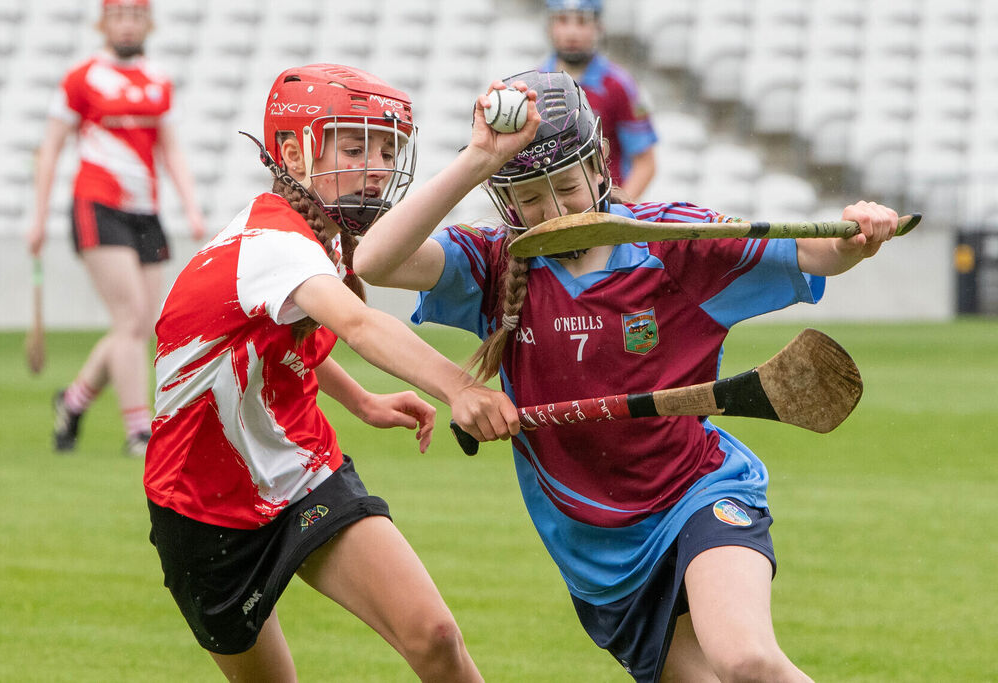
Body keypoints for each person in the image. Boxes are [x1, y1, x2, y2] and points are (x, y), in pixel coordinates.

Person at [353, 70, 900, 682]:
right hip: (595, 551)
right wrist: (480, 158)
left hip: (698, 490)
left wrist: (858, 240)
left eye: (566, 187)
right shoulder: (492, 264)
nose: (554, 211)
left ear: (598, 166)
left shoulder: (671, 242)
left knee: (747, 661)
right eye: (530, 197)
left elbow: (815, 253)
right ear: (504, 200)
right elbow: (374, 261)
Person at [144, 63, 520, 682]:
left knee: (435, 637)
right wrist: (458, 386)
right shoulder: (272, 244)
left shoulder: (322, 238)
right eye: (354, 146)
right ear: (293, 153)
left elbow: (287, 344)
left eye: (386, 149)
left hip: (303, 473)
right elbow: (360, 325)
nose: (376, 166)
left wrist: (362, 401)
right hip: (201, 506)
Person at [26, 0, 206, 456]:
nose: (127, 23)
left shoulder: (159, 81)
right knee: (128, 319)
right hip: (97, 204)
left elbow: (171, 150)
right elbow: (49, 149)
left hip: (145, 211)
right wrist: (38, 216)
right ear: (104, 22)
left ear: (148, 23)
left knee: (141, 325)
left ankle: (72, 401)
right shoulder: (82, 77)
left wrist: (191, 206)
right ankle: (138, 432)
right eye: (119, 15)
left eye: (136, 15)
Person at [542, 0, 657, 200]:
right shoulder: (536, 84)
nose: (572, 33)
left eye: (582, 22)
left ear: (599, 27)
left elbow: (645, 163)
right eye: (562, 20)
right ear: (550, 26)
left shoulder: (621, 85)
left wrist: (618, 210)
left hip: (605, 212)